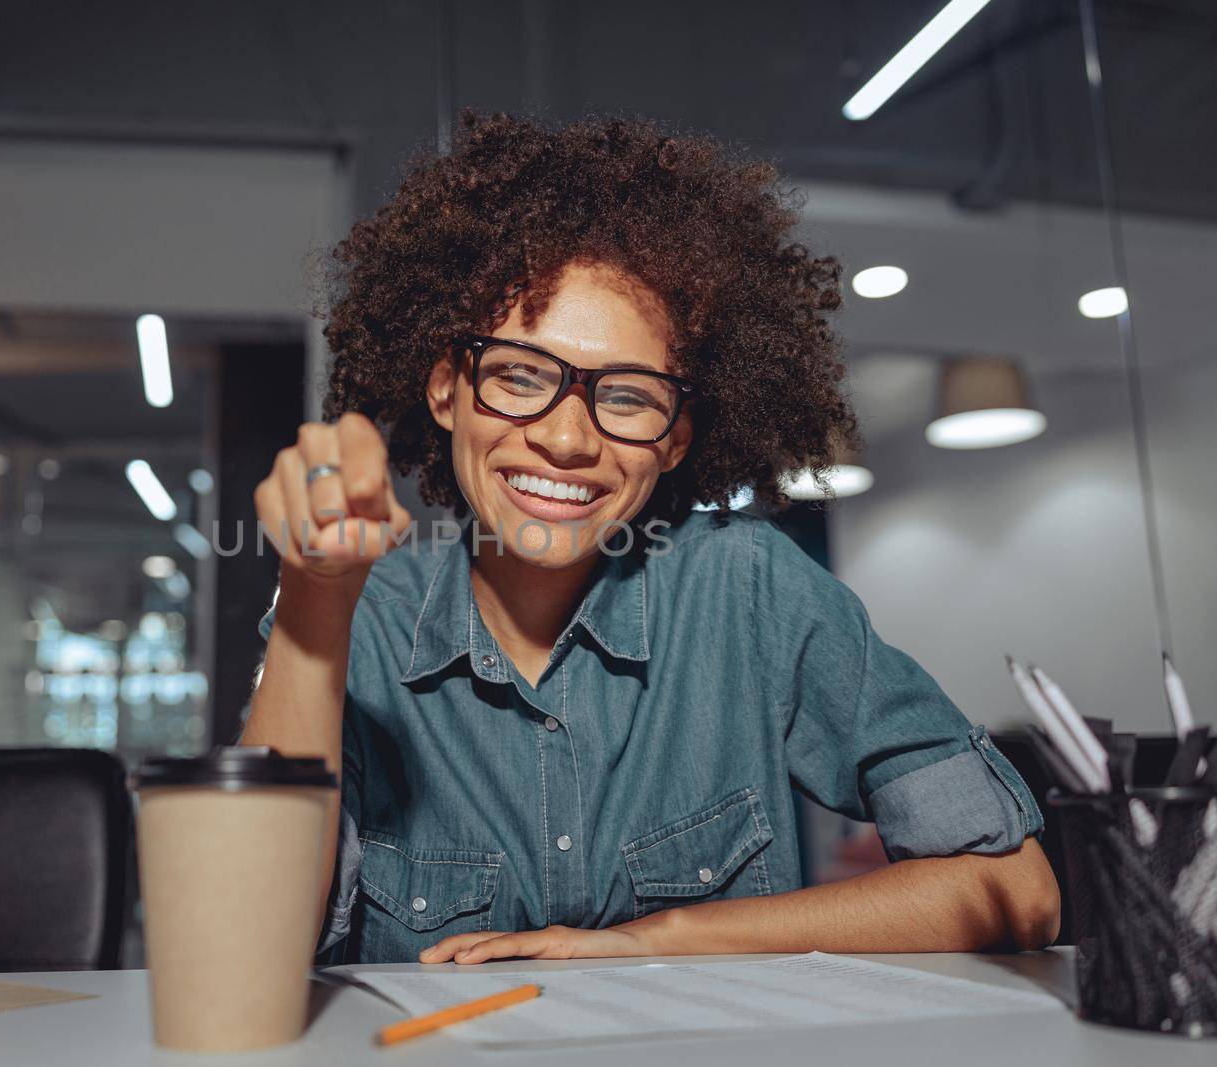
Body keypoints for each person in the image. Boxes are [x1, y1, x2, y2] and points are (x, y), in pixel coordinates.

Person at [238, 109, 1061, 966]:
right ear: (447, 389)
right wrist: (313, 600)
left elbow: (1017, 889)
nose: (567, 439)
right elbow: (255, 945)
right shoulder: (353, 621)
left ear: (676, 436)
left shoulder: (751, 591)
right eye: (521, 376)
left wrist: (665, 937)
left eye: (627, 395)